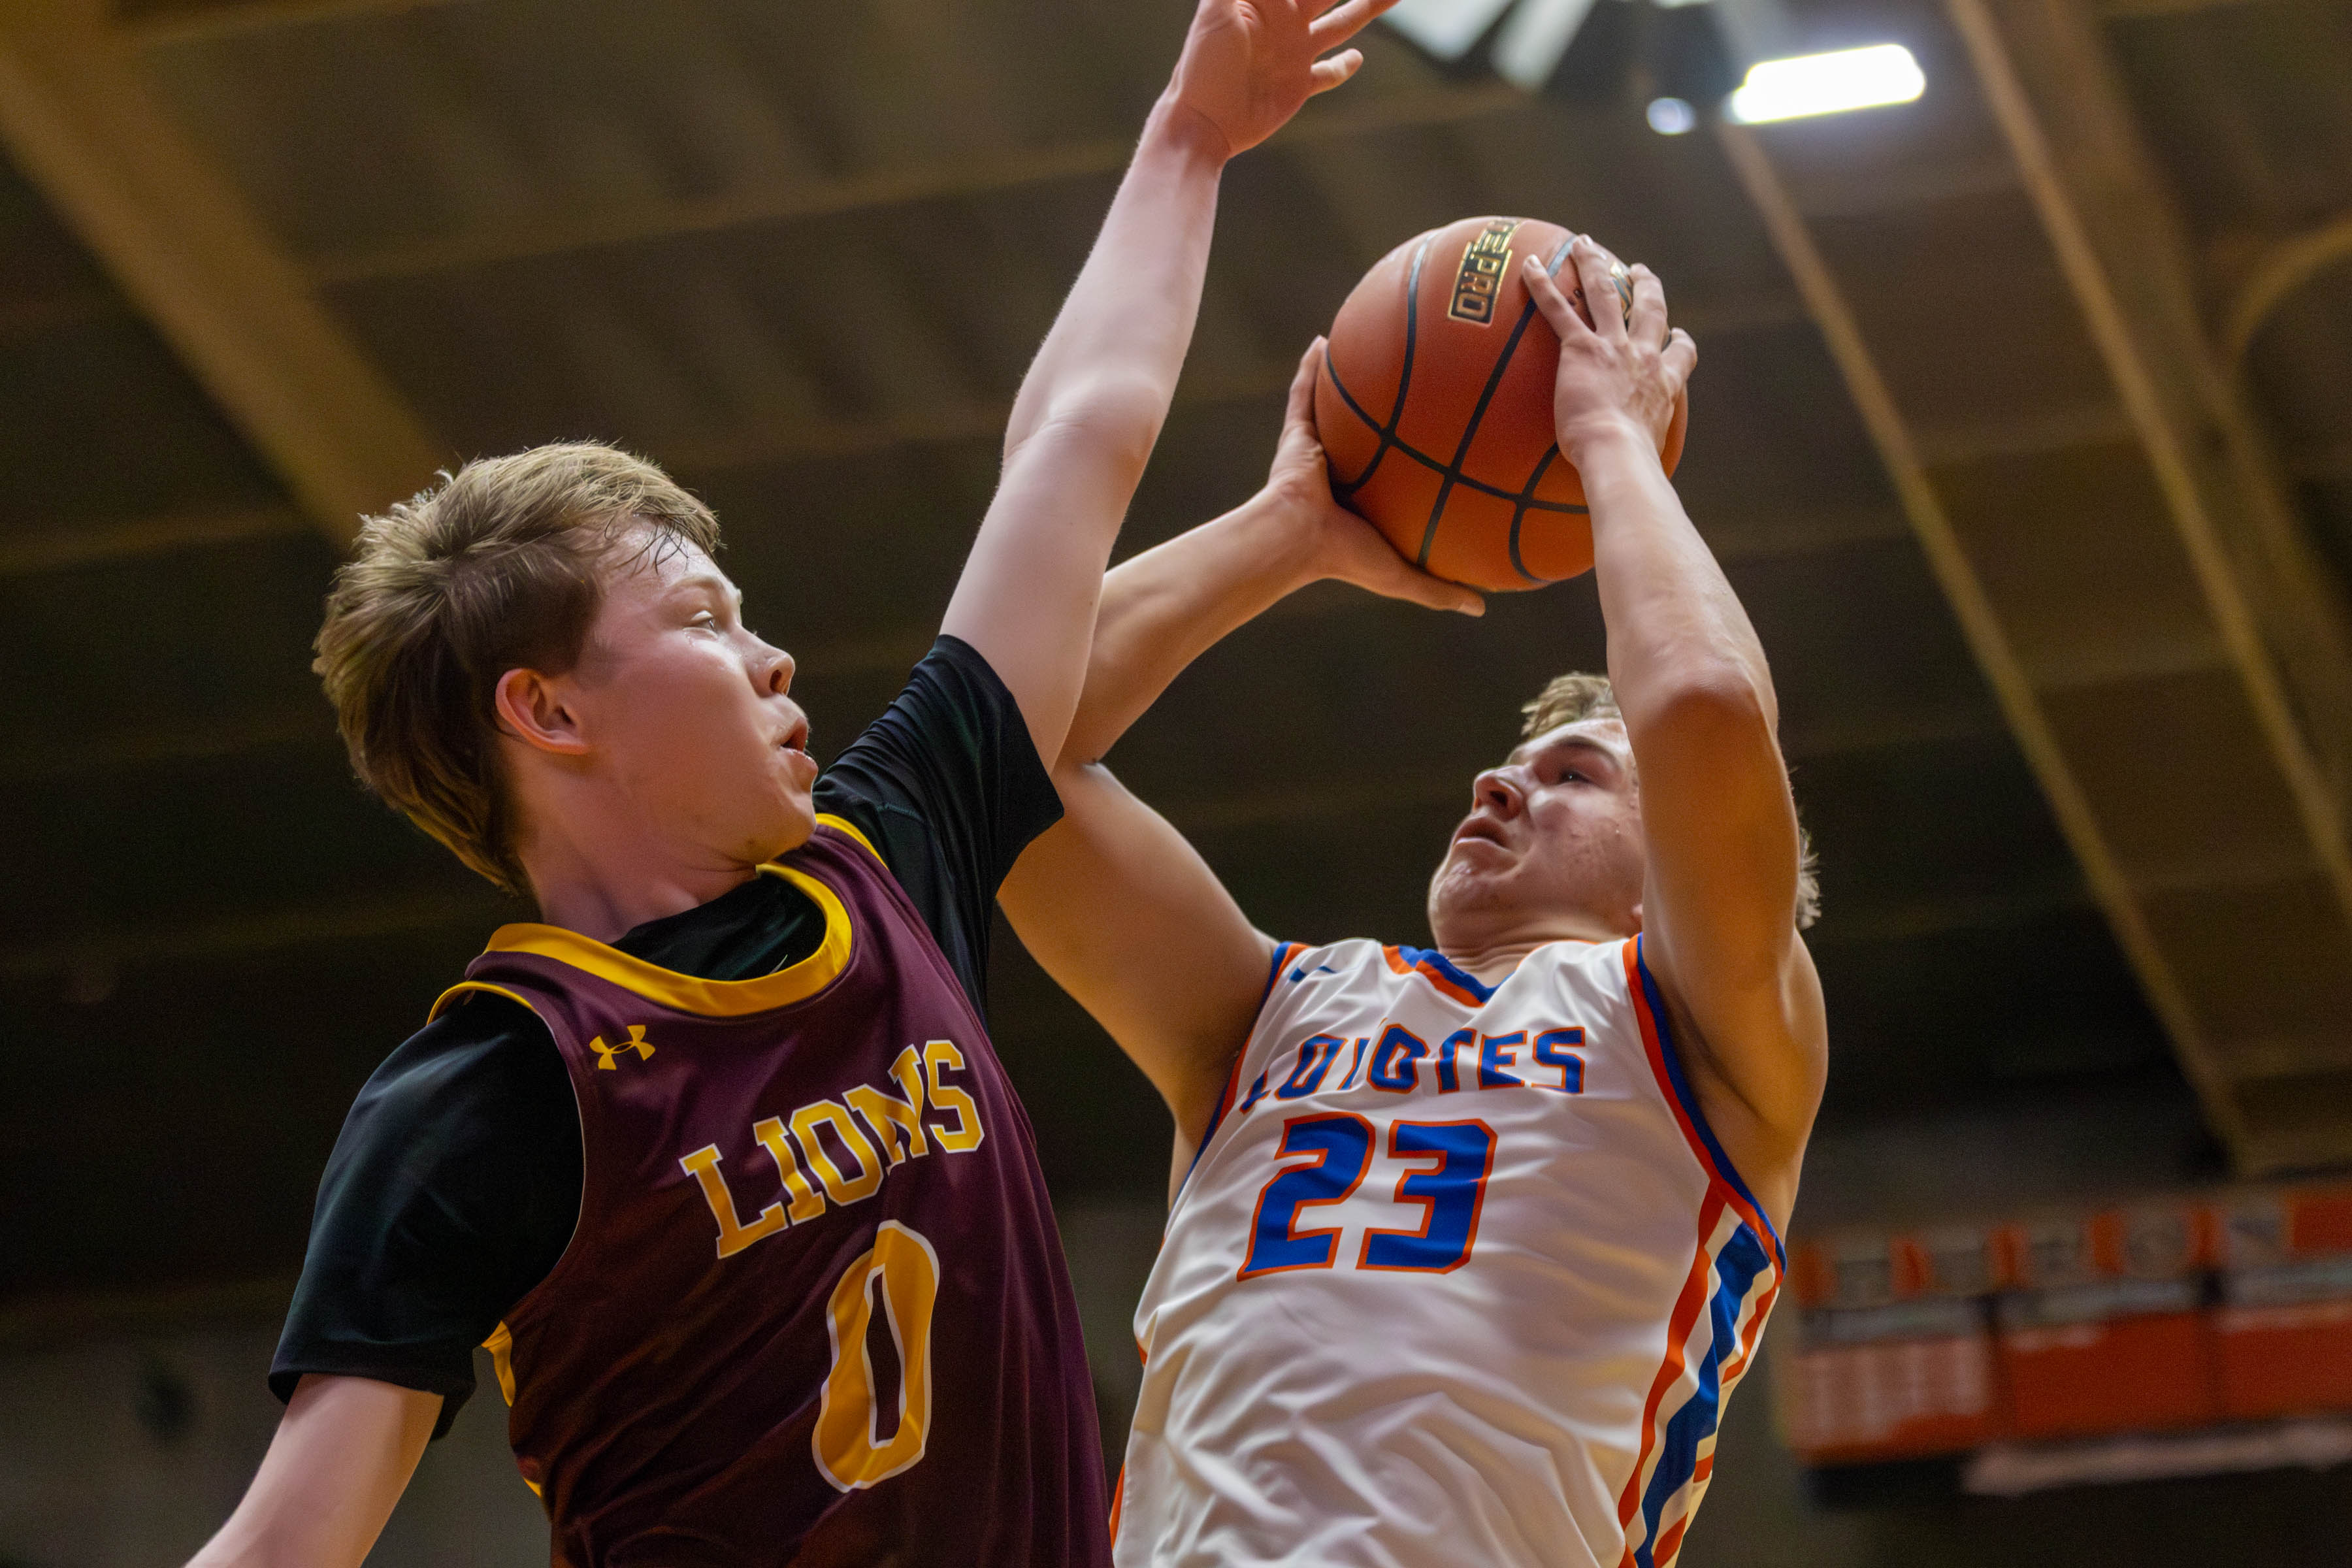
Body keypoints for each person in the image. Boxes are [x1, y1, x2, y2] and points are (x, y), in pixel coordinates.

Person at [186, 4, 1404, 1564]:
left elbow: (1075, 450)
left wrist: (1188, 140)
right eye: (703, 622)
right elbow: (291, 1538)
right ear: (547, 711)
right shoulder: (492, 1092)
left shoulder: (883, 864)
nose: (773, 662)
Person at [1000, 238, 1827, 1567]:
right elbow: (997, 752)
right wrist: (1287, 534)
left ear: (1671, 851)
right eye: (1501, 768)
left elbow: (1707, 709)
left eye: (1570, 775)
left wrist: (1609, 439)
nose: (1500, 790)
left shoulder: (1706, 1020)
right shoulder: (1263, 1009)